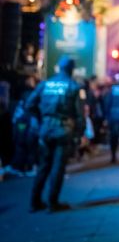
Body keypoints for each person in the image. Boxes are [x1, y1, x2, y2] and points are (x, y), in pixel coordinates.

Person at [27, 56, 85, 213]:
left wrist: (41, 121)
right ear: (71, 69)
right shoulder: (73, 86)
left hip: (45, 130)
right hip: (63, 130)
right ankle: (53, 203)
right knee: (57, 167)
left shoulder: (44, 84)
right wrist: (80, 134)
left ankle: (34, 202)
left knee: (43, 166)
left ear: (59, 68)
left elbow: (29, 104)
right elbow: (80, 114)